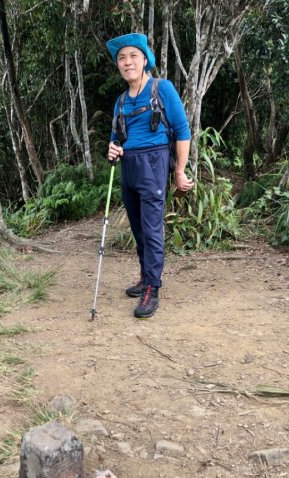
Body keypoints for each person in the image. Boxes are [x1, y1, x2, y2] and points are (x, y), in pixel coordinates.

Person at [106, 33, 194, 319]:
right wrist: (113, 149)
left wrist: (179, 171)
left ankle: (152, 288)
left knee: (153, 230)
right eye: (122, 58)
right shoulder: (120, 101)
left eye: (133, 56)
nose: (127, 62)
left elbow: (182, 132)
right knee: (139, 229)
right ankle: (146, 277)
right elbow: (115, 138)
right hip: (128, 168)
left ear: (145, 60)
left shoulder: (162, 88)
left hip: (154, 165)